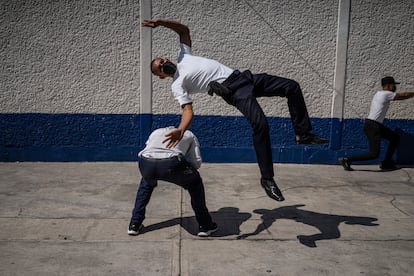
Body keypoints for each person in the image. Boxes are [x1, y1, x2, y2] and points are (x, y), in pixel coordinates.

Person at [141, 18, 329, 202]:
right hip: (235, 91)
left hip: (245, 78)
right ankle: (267, 178)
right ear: (161, 76)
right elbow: (188, 110)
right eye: (160, 67)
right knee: (261, 125)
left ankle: (303, 134)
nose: (164, 63)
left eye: (162, 59)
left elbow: (183, 31)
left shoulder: (184, 57)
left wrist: (162, 23)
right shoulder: (177, 85)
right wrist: (182, 129)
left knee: (291, 87)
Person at [128, 126, 218, 237]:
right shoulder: (189, 134)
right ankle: (205, 225)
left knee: (146, 183)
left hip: (145, 162)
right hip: (171, 163)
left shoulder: (156, 132)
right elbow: (196, 162)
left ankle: (134, 224)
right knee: (195, 183)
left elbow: (149, 149)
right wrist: (186, 169)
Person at [339, 76, 414, 171]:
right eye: (393, 85)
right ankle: (347, 160)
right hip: (373, 126)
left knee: (395, 138)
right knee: (374, 154)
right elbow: (403, 95)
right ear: (387, 85)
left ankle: (386, 163)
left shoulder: (379, 93)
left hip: (374, 125)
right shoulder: (386, 94)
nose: (395, 87)